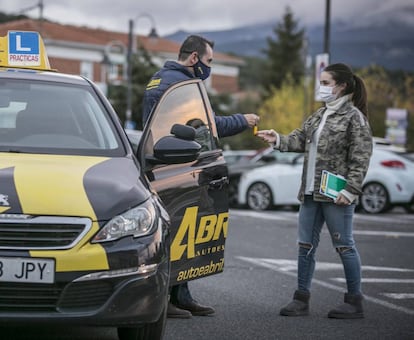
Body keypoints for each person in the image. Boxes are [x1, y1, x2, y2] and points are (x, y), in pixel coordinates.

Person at [142, 34, 259, 318]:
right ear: (194, 58)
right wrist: (243, 120)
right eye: (208, 61)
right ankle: (165, 300)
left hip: (168, 164)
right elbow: (207, 126)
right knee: (174, 235)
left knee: (184, 234)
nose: (210, 67)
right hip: (171, 167)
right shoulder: (179, 86)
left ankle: (181, 295)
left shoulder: (161, 78)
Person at [257, 63, 373, 319]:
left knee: (344, 246)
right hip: (310, 192)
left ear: (341, 86)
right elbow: (299, 138)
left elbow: (361, 158)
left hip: (336, 195)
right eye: (321, 82)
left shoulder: (355, 118)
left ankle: (354, 301)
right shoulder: (319, 115)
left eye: (325, 83)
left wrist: (351, 190)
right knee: (305, 246)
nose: (321, 87)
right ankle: (301, 299)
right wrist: (277, 138)